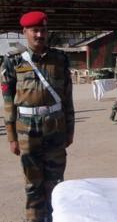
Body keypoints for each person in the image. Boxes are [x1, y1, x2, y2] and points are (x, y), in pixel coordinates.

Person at [0, 11, 74, 222]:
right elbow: (7, 102)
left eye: (43, 30)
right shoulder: (12, 62)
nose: (40, 35)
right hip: (27, 131)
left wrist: (70, 129)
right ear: (25, 32)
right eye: (35, 31)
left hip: (56, 129)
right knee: (33, 185)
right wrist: (12, 137)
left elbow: (68, 99)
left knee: (56, 184)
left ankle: (55, 218)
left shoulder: (60, 59)